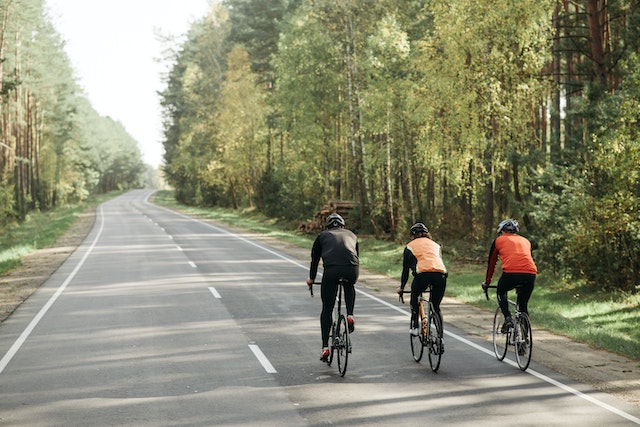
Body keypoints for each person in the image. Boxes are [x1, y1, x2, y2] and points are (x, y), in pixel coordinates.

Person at [306, 213, 359, 362]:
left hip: (332, 271)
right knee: (349, 285)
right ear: (343, 225)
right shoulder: (351, 235)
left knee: (327, 308)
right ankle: (350, 315)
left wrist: (311, 279)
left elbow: (314, 260)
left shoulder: (322, 235)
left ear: (328, 226)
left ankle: (325, 348)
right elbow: (356, 256)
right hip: (352, 269)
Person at [482, 219, 537, 333]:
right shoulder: (526, 241)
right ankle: (524, 342)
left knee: (501, 291)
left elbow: (492, 263)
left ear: (501, 231)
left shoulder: (498, 240)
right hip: (530, 274)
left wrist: (487, 282)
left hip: (511, 273)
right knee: (523, 306)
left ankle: (507, 318)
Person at [396, 223, 447, 339]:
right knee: (436, 306)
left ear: (412, 235)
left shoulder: (409, 247)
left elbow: (405, 271)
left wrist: (402, 287)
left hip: (422, 275)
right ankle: (440, 338)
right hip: (441, 275)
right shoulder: (436, 245)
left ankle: (415, 326)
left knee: (415, 296)